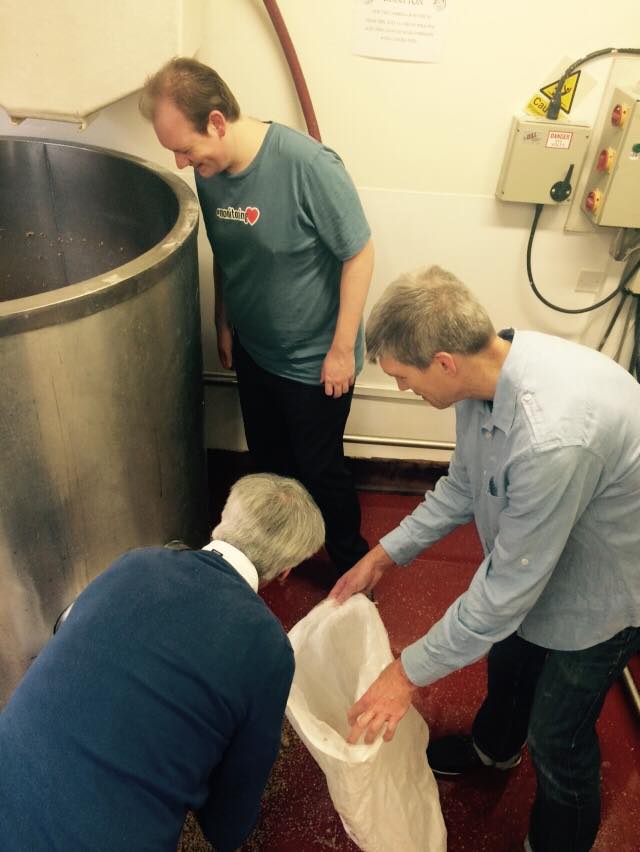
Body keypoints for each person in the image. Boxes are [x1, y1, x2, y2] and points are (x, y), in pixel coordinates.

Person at [329, 266, 640, 852]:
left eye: (402, 377)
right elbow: (463, 487)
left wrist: (405, 675)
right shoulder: (486, 375)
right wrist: (384, 555)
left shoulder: (551, 434)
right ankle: (494, 750)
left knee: (559, 735)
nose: (400, 389)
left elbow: (503, 595)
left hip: (613, 582)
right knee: (511, 661)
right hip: (548, 544)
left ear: (443, 361)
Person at [0, 473, 324, 852]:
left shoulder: (136, 562)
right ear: (286, 572)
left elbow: (69, 631)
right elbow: (231, 812)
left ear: (223, 516)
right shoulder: (269, 647)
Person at [139, 58, 374, 575]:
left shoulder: (309, 165)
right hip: (254, 347)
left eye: (185, 147)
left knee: (319, 469)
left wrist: (341, 350)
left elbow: (358, 253)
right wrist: (224, 322)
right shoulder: (211, 171)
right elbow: (228, 252)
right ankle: (280, 557)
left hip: (315, 360)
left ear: (217, 122)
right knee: (269, 463)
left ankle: (350, 568)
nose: (181, 162)